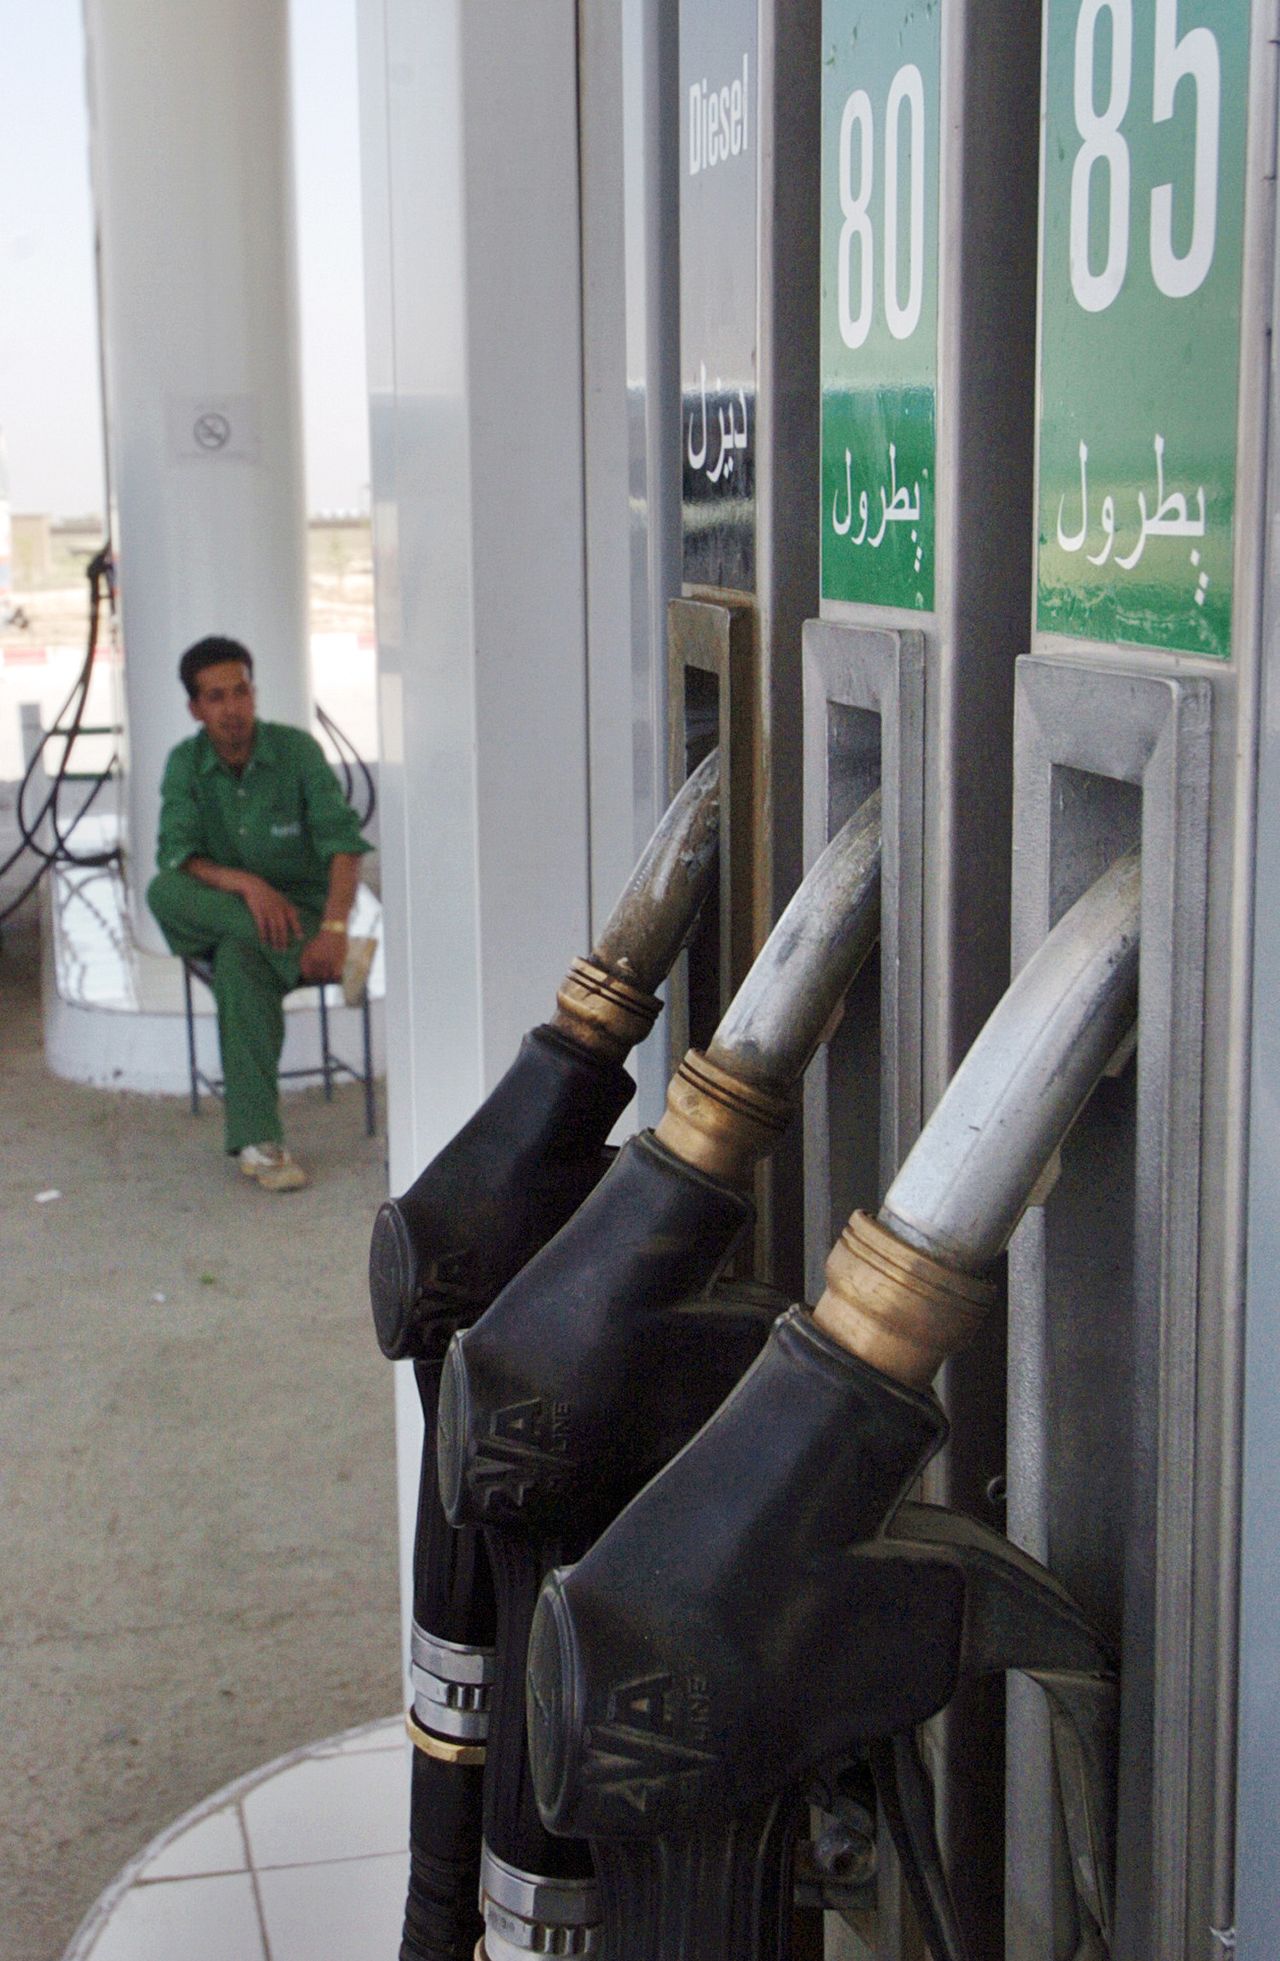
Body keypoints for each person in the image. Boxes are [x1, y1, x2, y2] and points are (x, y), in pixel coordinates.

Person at [147, 635, 374, 1191]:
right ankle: (322, 957)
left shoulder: (296, 751)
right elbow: (177, 854)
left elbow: (343, 846)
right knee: (162, 890)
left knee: (238, 965)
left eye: (241, 691)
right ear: (196, 709)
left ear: (254, 693)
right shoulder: (186, 763)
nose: (233, 708)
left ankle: (260, 1144)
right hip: (230, 907)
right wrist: (248, 885)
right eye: (217, 697)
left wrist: (335, 927)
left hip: (297, 912)